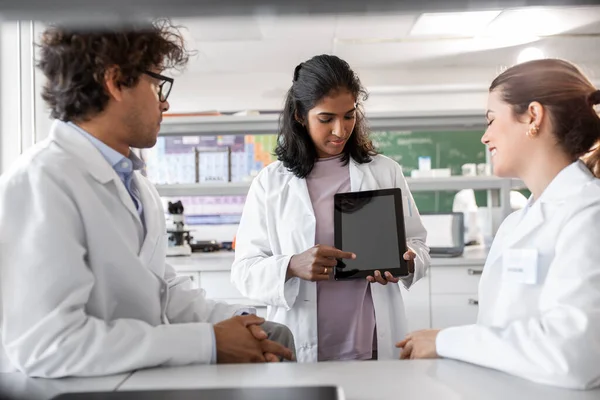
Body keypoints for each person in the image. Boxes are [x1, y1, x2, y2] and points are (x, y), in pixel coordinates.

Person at [0, 20, 294, 379]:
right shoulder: (41, 180)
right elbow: (48, 344)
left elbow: (162, 291)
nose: (165, 102)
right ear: (115, 81)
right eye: (157, 84)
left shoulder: (137, 185)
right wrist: (209, 342)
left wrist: (240, 323)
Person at [397, 59, 600, 390]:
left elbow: (572, 354)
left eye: (491, 120)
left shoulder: (589, 212)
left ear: (533, 116)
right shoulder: (516, 223)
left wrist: (445, 341)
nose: (485, 137)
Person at [231, 54, 430, 363]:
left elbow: (417, 244)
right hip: (303, 343)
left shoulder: (384, 171)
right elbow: (244, 272)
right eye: (326, 119)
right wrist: (291, 265)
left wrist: (406, 260)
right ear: (300, 115)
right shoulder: (270, 182)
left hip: (373, 341)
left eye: (349, 115)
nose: (340, 130)